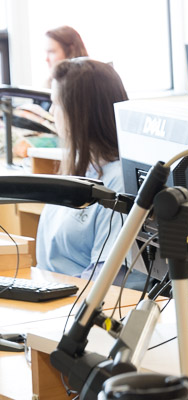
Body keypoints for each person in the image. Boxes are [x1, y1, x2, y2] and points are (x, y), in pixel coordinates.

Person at [36, 58, 144, 289]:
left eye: (56, 103)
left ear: (78, 113)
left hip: (81, 305)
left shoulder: (119, 183)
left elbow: (107, 278)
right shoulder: (79, 167)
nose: (52, 112)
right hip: (54, 294)